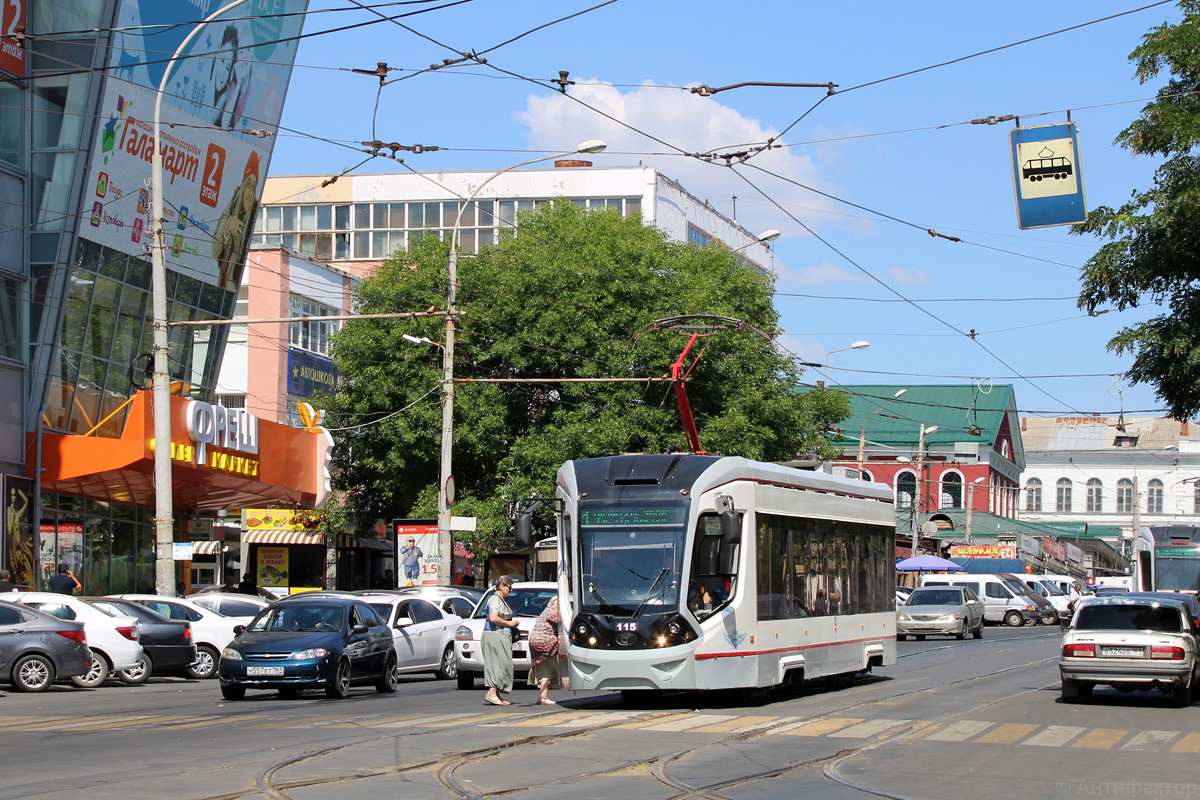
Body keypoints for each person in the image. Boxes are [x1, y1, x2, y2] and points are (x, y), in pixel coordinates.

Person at [482, 575, 519, 706]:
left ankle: (496, 694)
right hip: (495, 635)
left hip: (501, 636)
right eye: (509, 587)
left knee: (503, 663)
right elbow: (493, 618)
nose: (511, 590)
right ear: (501, 586)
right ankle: (491, 693)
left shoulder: (501, 600)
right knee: (496, 663)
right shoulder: (494, 599)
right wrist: (510, 624)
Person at [528, 597, 564, 705]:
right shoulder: (551, 612)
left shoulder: (544, 612)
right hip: (545, 641)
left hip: (533, 642)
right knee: (553, 666)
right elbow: (562, 620)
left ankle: (543, 697)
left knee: (545, 669)